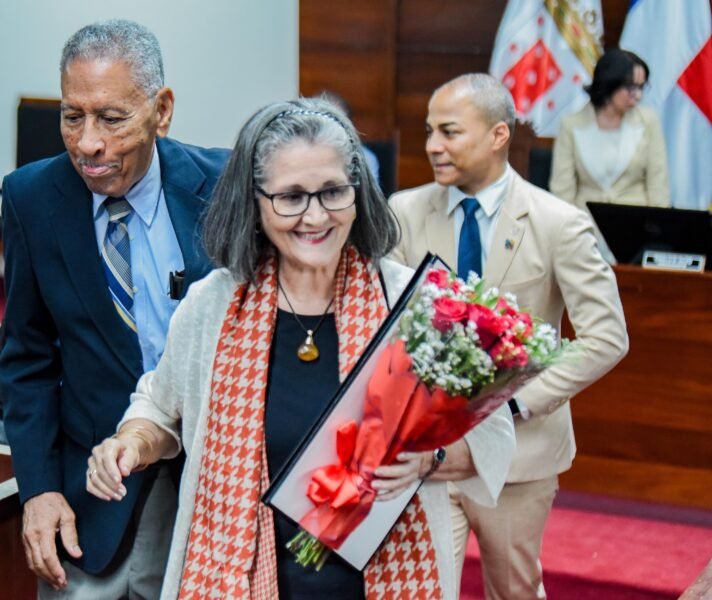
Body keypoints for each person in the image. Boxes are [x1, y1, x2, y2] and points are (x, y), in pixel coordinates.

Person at [86, 97, 515, 599]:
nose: (315, 216)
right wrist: (131, 444)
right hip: (240, 581)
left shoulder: (415, 302)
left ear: (359, 193)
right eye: (290, 197)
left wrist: (427, 460)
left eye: (333, 191)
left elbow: (492, 437)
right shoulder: (215, 305)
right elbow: (160, 407)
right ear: (255, 202)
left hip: (381, 583)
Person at [0, 19, 229, 599]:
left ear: (162, 109)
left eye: (111, 118)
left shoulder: (225, 186)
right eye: (72, 117)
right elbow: (25, 360)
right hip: (91, 500)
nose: (88, 144)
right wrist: (40, 490)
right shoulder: (31, 198)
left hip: (211, 491)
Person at [388, 73, 629, 599]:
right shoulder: (403, 213)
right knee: (423, 588)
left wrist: (514, 403)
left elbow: (607, 337)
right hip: (427, 450)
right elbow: (386, 324)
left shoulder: (560, 223)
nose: (433, 145)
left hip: (521, 455)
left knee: (513, 589)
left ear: (499, 135)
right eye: (429, 131)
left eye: (449, 131)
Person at [550, 49, 669, 209]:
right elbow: (562, 192)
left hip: (636, 224)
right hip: (585, 226)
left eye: (641, 87)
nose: (638, 95)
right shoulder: (571, 125)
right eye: (631, 87)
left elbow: (658, 185)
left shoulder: (648, 121)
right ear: (610, 83)